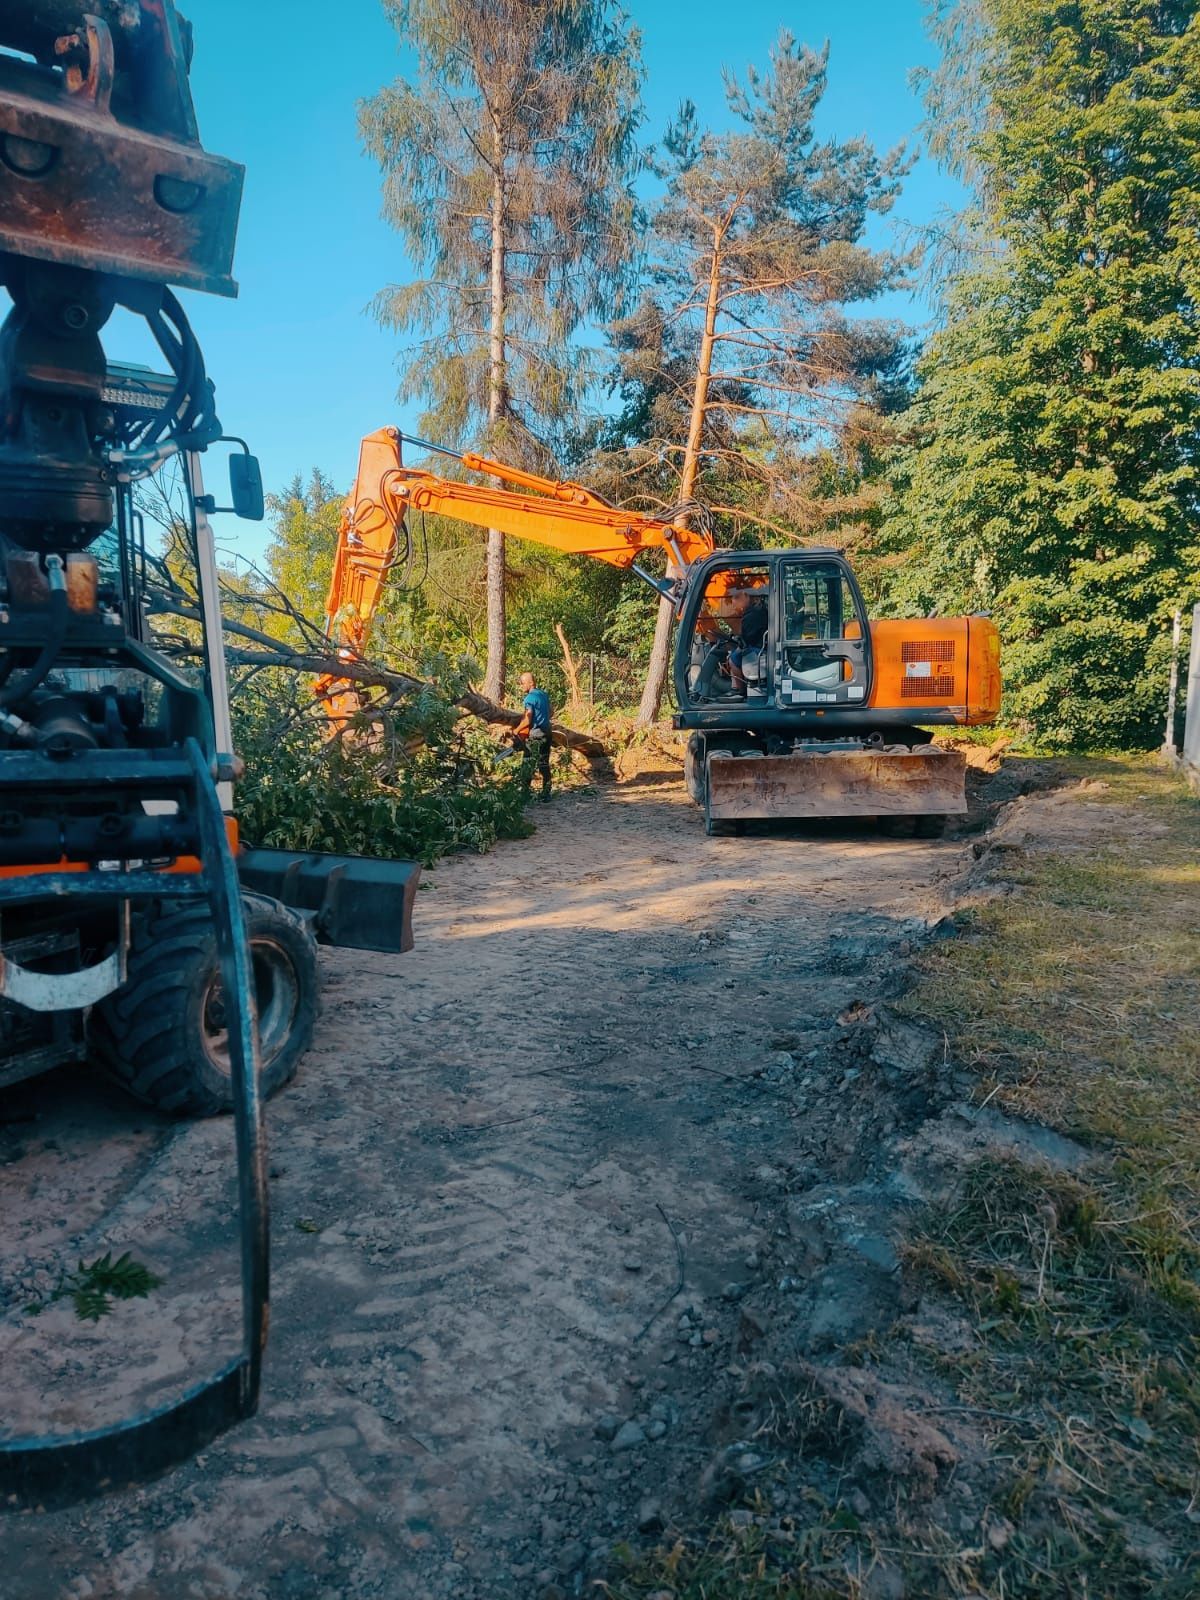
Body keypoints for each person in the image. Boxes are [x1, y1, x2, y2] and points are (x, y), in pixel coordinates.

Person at [513, 671, 553, 801]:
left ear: (531, 683)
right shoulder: (543, 695)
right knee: (544, 763)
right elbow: (551, 711)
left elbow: (528, 719)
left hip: (536, 735)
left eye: (523, 683)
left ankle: (525, 793)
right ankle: (546, 792)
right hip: (547, 732)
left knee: (527, 764)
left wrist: (517, 730)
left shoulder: (529, 699)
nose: (521, 686)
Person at [729, 591, 768, 691]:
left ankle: (739, 690)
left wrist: (738, 639)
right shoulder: (759, 610)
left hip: (759, 649)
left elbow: (748, 638)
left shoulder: (751, 615)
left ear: (744, 598)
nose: (734, 605)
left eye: (736, 598)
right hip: (762, 646)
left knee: (733, 659)